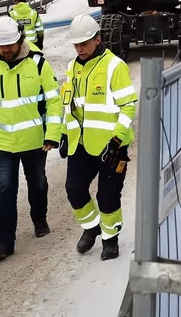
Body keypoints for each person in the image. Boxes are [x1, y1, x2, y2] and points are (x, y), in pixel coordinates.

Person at [0, 16, 62, 261]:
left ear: (20, 39)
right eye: (0, 46)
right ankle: (4, 242)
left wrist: (53, 135)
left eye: (9, 45)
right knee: (5, 188)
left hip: (35, 142)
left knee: (38, 184)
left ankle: (39, 218)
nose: (5, 50)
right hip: (1, 143)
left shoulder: (39, 65)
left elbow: (54, 102)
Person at [57, 13, 137, 261]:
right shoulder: (73, 68)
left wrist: (116, 140)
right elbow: (71, 106)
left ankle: (110, 239)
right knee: (74, 189)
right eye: (76, 44)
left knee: (108, 195)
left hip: (110, 146)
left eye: (84, 44)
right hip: (80, 144)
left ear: (97, 40)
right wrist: (63, 133)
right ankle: (91, 228)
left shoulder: (115, 66)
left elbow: (128, 107)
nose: (79, 49)